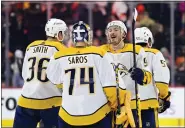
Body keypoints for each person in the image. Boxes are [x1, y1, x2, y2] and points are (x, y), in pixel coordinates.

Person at [46, 21, 135, 128]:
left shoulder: (59, 56)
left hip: (67, 116)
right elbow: (111, 85)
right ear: (88, 36)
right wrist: (118, 105)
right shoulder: (99, 53)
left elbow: (54, 79)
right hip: (98, 116)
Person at [13, 18, 68, 128]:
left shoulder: (31, 46)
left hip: (26, 100)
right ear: (59, 33)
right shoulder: (62, 49)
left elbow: (25, 74)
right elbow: (63, 79)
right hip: (51, 102)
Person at [100, 20, 152, 127]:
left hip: (131, 104)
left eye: (116, 30)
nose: (112, 32)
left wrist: (141, 75)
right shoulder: (100, 52)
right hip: (107, 106)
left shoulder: (136, 50)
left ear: (124, 34)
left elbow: (148, 76)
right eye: (109, 30)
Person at [134, 27, 171, 128]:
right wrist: (165, 97)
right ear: (149, 41)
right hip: (147, 106)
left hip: (130, 107)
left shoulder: (126, 55)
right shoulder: (155, 54)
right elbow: (162, 80)